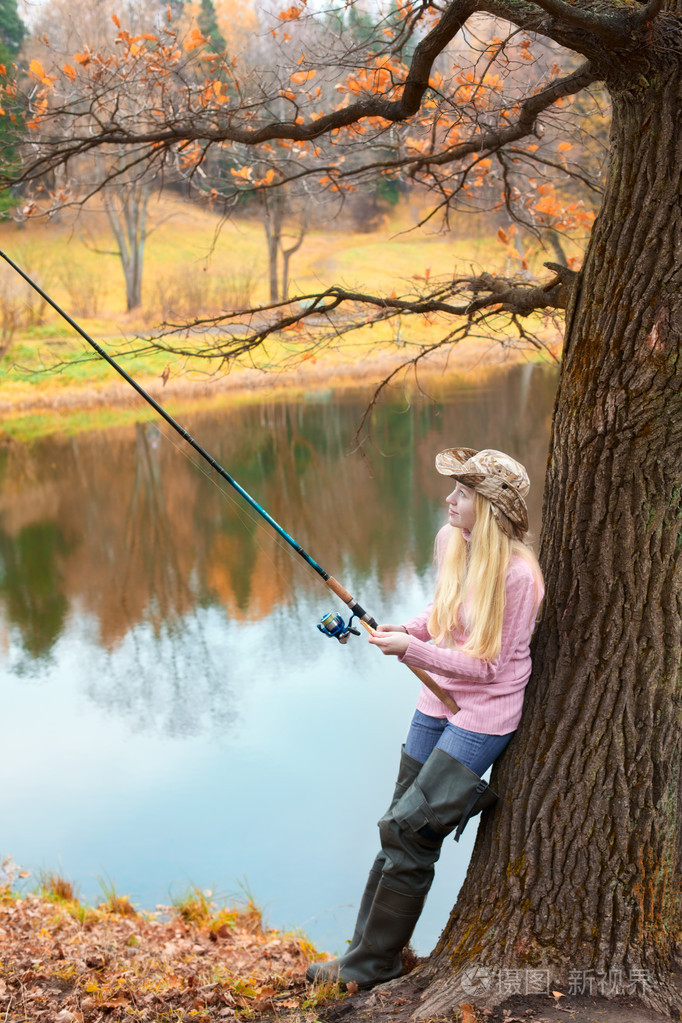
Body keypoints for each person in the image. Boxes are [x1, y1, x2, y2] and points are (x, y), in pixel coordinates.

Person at [306, 447, 545, 991]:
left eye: (461, 493)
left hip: (483, 712)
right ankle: (359, 953)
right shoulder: (449, 542)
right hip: (434, 700)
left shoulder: (518, 576)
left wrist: (410, 653)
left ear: (486, 506)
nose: (449, 500)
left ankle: (376, 964)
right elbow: (440, 615)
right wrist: (407, 632)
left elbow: (487, 667)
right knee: (396, 821)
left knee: (411, 832)